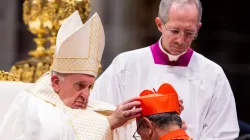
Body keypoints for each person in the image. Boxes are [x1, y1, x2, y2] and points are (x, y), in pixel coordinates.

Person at [90, 0, 239, 139]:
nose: (180, 40)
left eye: (189, 33)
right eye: (174, 31)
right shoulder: (125, 65)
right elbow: (96, 117)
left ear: (198, 28)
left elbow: (224, 133)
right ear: (159, 24)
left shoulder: (213, 75)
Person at [0, 11, 142, 140]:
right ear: (55, 82)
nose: (86, 95)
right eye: (80, 85)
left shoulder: (92, 106)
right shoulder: (35, 103)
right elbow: (54, 133)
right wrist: (110, 123)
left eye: (90, 87)